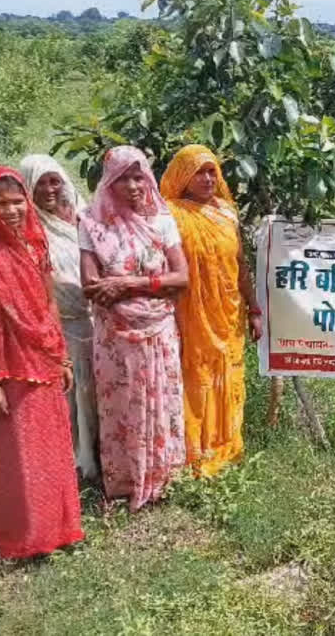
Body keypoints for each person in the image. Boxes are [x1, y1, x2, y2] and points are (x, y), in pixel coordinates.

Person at [0, 166, 84, 558]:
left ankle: (61, 529)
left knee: (54, 448)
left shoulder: (35, 245)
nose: (11, 211)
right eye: (1, 203)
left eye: (16, 202)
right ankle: (27, 539)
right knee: (18, 454)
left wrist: (63, 358)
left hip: (42, 357)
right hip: (3, 364)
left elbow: (47, 305)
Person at [78, 146, 189, 513]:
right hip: (116, 336)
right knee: (123, 405)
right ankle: (126, 480)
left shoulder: (162, 220)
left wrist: (128, 284)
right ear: (108, 183)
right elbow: (92, 285)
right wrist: (148, 283)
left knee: (161, 398)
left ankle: (162, 476)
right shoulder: (93, 224)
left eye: (138, 176)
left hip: (158, 328)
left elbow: (181, 277)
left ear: (148, 179)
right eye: (122, 178)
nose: (132, 185)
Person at [158, 145, 264, 477]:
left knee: (228, 376)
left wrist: (254, 308)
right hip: (189, 316)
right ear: (181, 176)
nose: (207, 178)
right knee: (195, 379)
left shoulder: (227, 212)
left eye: (211, 171)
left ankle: (226, 444)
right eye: (198, 172)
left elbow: (240, 264)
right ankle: (192, 452)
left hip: (227, 314)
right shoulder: (169, 215)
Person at [20, 154, 99, 482]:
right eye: (40, 183)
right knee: (70, 397)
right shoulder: (28, 230)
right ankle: (75, 466)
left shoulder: (84, 216)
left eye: (55, 180)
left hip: (97, 320)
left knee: (96, 392)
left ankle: (99, 456)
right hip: (61, 326)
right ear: (27, 188)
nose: (50, 189)